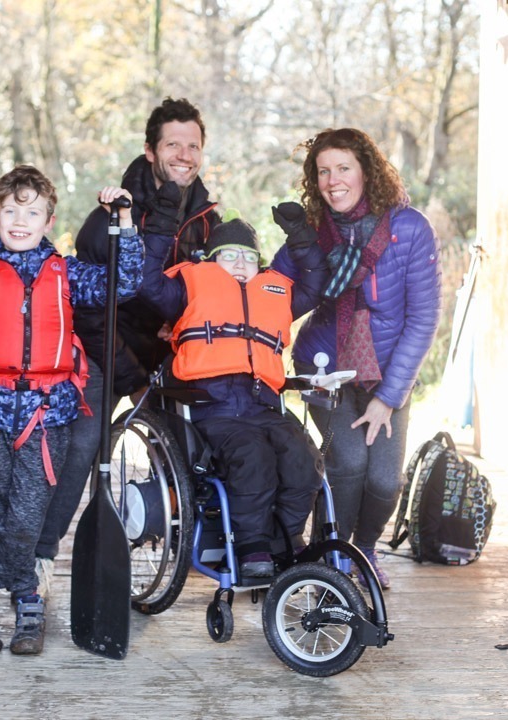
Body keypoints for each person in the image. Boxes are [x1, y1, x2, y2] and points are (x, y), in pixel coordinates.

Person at [0, 165, 142, 655]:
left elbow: (125, 283)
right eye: (11, 211)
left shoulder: (66, 274)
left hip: (48, 416)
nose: (20, 221)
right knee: (2, 519)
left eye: (32, 212)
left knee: (26, 518)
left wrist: (126, 222)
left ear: (49, 220)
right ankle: (28, 603)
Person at [33, 97, 221, 589]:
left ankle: (206, 544)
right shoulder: (111, 217)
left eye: (192, 145)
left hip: (165, 349)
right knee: (83, 447)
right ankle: (42, 557)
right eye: (172, 144)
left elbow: (207, 291)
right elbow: (93, 312)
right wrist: (134, 379)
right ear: (150, 149)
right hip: (102, 347)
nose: (184, 154)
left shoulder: (207, 219)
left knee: (213, 430)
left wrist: (177, 324)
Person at [272, 128, 442, 589]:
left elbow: (423, 319)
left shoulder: (409, 228)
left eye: (343, 168)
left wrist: (388, 397)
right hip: (325, 368)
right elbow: (273, 296)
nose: (334, 180)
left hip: (388, 372)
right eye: (323, 171)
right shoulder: (310, 234)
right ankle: (333, 556)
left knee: (384, 481)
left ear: (366, 170)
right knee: (346, 467)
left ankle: (364, 550)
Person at [139, 190, 328, 577]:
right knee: (252, 459)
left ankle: (287, 538)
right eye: (229, 255)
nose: (240, 264)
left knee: (305, 461)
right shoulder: (189, 287)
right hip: (214, 407)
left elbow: (316, 283)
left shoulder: (274, 292)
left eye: (248, 257)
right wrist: (161, 220)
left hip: (265, 404)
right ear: (210, 260)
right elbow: (145, 282)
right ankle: (252, 547)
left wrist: (301, 236)